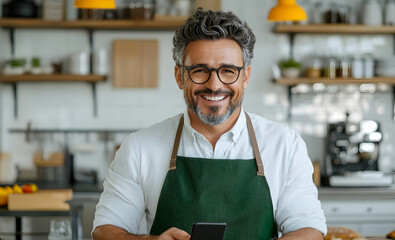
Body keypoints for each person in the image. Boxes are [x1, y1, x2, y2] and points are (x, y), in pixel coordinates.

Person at [92, 8, 326, 240]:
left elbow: (308, 228)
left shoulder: (285, 144)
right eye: (200, 70)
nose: (214, 85)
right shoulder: (139, 148)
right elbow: (105, 229)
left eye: (228, 71)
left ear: (245, 77)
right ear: (179, 76)